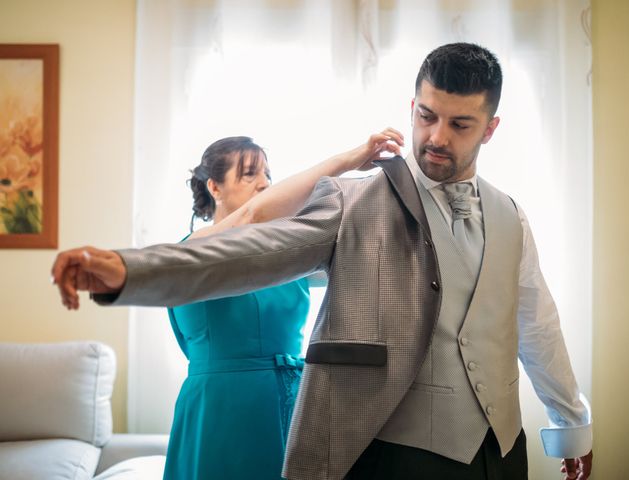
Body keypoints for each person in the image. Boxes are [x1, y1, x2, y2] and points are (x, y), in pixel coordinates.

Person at [52, 43, 593, 480]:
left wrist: (571, 421)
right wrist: (131, 269)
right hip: (389, 453)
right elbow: (251, 250)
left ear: (491, 128)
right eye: (427, 116)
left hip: (501, 455)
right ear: (412, 108)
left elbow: (537, 325)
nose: (436, 137)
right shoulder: (352, 200)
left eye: (460, 124)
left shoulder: (511, 216)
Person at [161, 133, 402, 480]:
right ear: (214, 187)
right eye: (249, 175)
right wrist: (346, 160)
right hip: (223, 410)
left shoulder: (288, 260)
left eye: (268, 176)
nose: (264, 185)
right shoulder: (192, 251)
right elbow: (252, 218)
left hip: (296, 403)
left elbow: (361, 255)